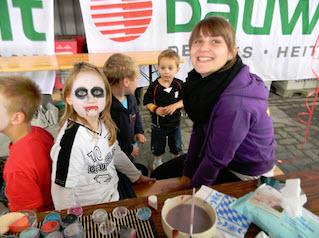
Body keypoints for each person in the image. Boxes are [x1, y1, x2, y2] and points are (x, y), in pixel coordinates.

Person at [179, 16, 276, 188]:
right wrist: (187, 173)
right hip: (221, 155)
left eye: (215, 41)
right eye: (197, 41)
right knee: (162, 175)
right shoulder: (206, 83)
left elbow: (216, 159)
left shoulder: (236, 101)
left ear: (232, 52)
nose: (203, 48)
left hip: (246, 172)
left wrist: (192, 191)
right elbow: (199, 128)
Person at [51, 62, 153, 210]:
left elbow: (115, 153)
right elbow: (61, 192)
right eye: (81, 92)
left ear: (106, 97)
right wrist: (72, 225)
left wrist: (137, 177)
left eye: (97, 92)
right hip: (92, 208)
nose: (91, 98)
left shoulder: (103, 122)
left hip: (113, 192)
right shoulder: (71, 141)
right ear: (69, 98)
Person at [0, 76, 54, 212]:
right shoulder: (40, 132)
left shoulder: (15, 169)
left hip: (42, 214)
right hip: (50, 195)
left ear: (17, 117)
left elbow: (27, 217)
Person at [103, 53, 148, 176]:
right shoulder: (108, 108)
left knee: (131, 164)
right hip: (118, 153)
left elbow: (136, 113)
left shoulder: (131, 97)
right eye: (137, 79)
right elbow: (109, 139)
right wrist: (129, 149)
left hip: (131, 142)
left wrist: (139, 131)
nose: (138, 82)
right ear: (126, 82)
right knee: (121, 172)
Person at [143, 49, 184, 170]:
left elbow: (186, 100)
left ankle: (175, 159)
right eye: (163, 68)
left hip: (175, 124)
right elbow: (146, 102)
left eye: (170, 68)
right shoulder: (154, 86)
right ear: (158, 68)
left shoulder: (179, 85)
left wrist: (175, 106)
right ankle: (157, 160)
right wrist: (156, 109)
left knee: (176, 146)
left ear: (177, 69)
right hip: (158, 125)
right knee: (158, 146)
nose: (166, 71)